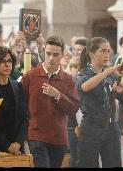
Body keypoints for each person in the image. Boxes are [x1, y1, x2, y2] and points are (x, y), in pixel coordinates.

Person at [21, 36, 79, 168]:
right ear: (44, 53)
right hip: (36, 135)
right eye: (48, 54)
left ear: (62, 55)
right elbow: (22, 107)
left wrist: (58, 95)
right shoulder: (30, 76)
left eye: (55, 54)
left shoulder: (67, 79)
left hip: (58, 136)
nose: (51, 58)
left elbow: (73, 109)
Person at [76, 37, 123, 168]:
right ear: (92, 54)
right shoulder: (83, 73)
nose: (107, 54)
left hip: (111, 127)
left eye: (108, 51)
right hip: (91, 128)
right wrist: (108, 71)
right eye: (103, 51)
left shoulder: (111, 76)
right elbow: (85, 86)